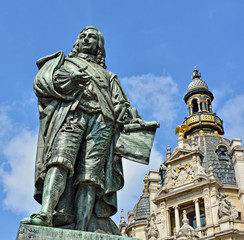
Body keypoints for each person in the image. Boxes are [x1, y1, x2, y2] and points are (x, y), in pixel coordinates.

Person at [21, 26, 158, 233]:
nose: (86, 39)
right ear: (77, 41)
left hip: (102, 123)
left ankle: (83, 227)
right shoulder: (65, 63)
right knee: (59, 162)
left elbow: (121, 106)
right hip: (73, 116)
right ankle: (46, 213)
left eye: (91, 37)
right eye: (82, 36)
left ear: (99, 45)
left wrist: (135, 120)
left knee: (90, 177)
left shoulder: (109, 76)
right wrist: (70, 81)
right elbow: (43, 84)